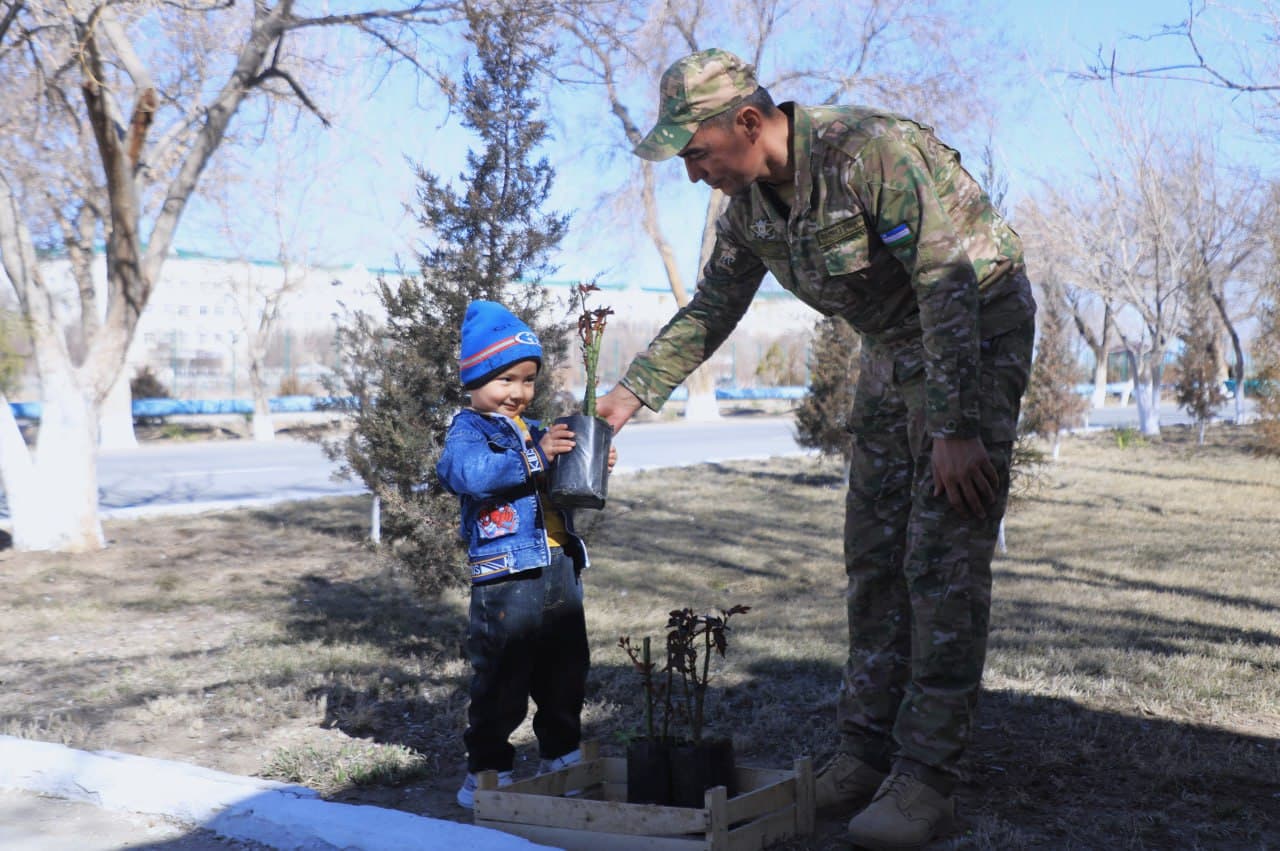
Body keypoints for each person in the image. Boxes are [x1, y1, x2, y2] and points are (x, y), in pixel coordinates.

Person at [595, 49, 1036, 849]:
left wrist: (955, 427)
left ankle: (927, 778)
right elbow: (711, 309)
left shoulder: (867, 152)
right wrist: (627, 396)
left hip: (976, 324)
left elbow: (946, 280)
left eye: (695, 152)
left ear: (748, 123)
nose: (693, 174)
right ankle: (865, 754)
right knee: (871, 550)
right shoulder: (751, 212)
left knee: (940, 552)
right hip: (893, 344)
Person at [437, 300, 616, 809]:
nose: (517, 392)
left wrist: (590, 456)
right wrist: (537, 456)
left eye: (528, 380)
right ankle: (486, 771)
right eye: (505, 379)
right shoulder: (469, 431)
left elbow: (563, 478)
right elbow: (469, 474)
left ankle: (560, 754)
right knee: (503, 675)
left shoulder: (533, 428)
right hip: (507, 573)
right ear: (474, 380)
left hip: (559, 564)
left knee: (565, 668)